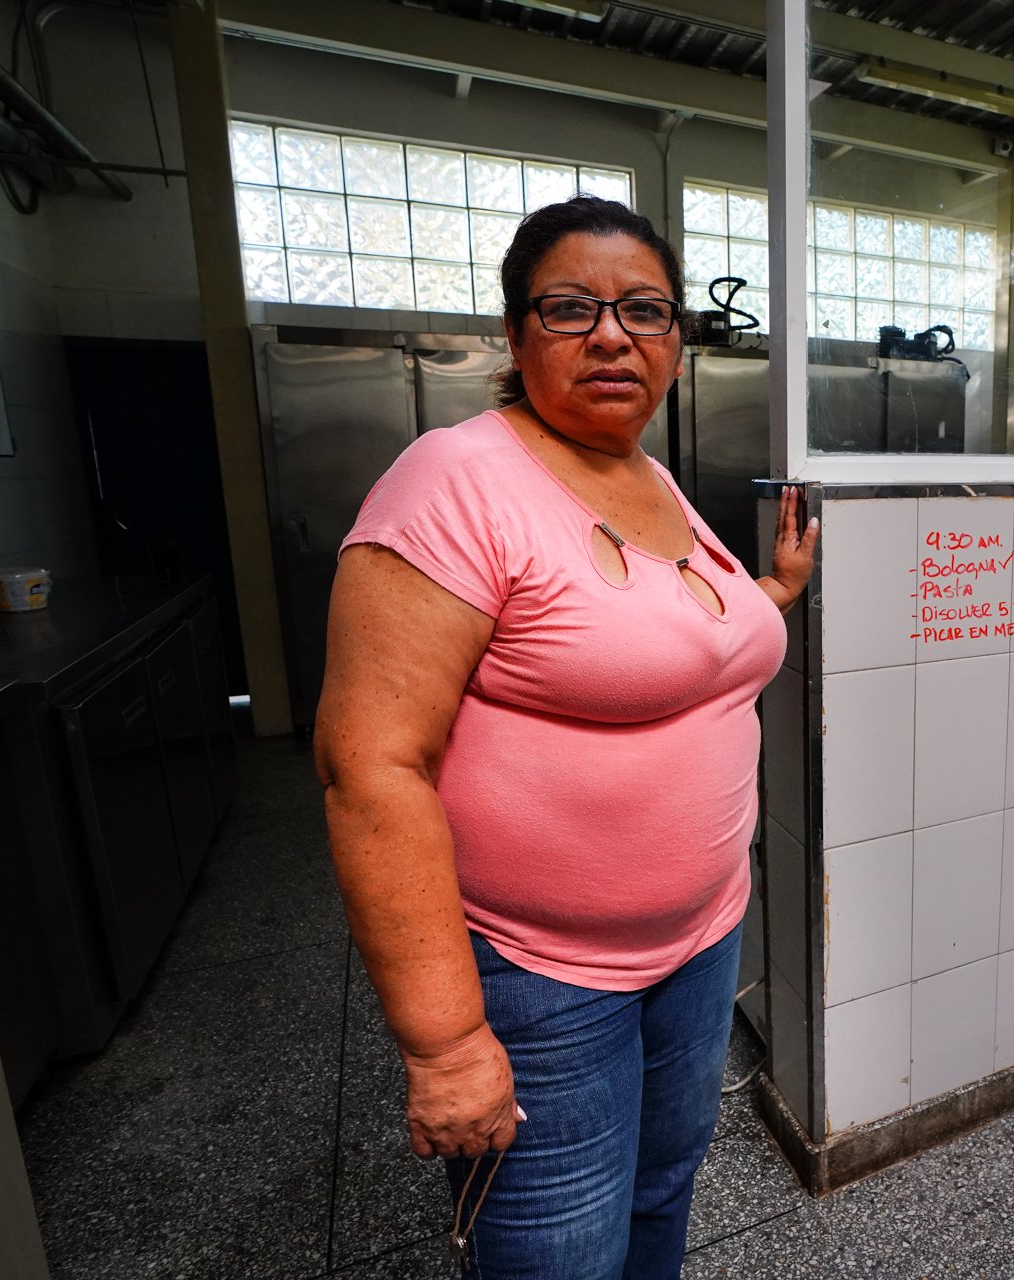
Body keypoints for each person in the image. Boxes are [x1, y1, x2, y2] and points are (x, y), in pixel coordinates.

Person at [314, 196, 817, 1279]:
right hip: (540, 972)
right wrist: (446, 1043)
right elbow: (369, 768)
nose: (611, 332)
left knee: (659, 1194)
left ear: (676, 345)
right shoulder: (456, 479)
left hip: (701, 936)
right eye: (570, 307)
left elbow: (673, 640)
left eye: (644, 310)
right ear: (514, 334)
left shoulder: (650, 477)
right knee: (556, 1255)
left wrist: (773, 590)